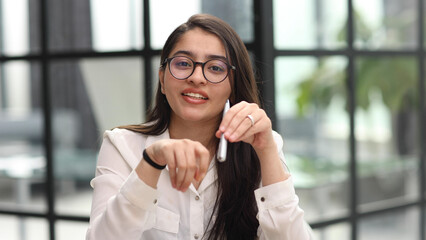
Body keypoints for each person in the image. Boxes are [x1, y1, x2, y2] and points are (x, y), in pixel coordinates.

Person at [86, 14, 313, 240]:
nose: (196, 78)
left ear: (233, 88)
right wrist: (151, 162)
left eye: (215, 68)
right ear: (162, 80)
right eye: (184, 63)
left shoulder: (264, 145)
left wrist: (266, 151)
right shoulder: (122, 146)